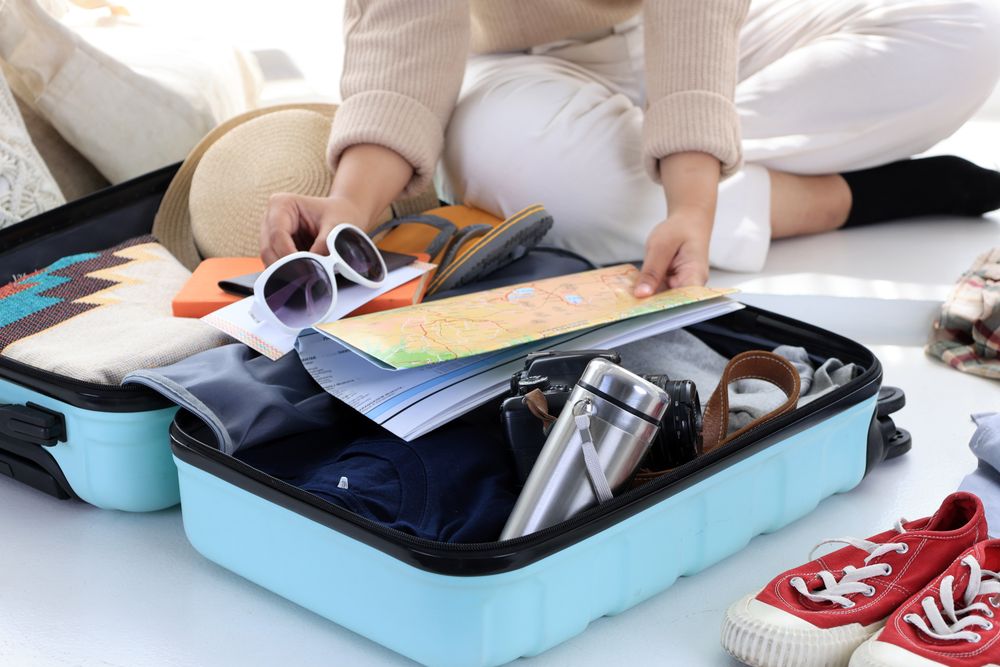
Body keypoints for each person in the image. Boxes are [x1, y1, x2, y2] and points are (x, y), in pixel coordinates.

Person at [260, 0, 1000, 296]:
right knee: (531, 166)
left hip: (681, 33)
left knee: (970, 28)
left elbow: (695, 14)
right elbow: (409, 29)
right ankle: (837, 195)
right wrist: (351, 204)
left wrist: (691, 192)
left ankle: (691, 162)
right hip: (513, 67)